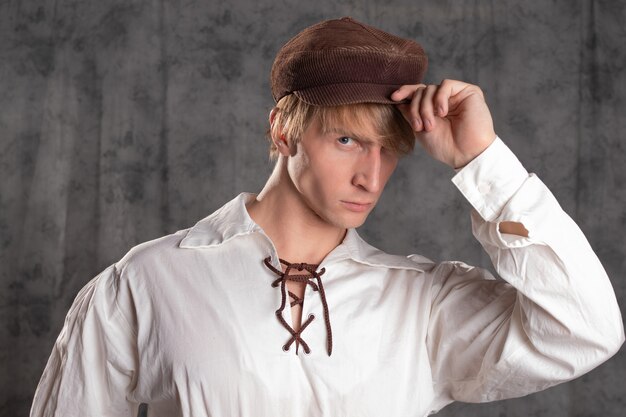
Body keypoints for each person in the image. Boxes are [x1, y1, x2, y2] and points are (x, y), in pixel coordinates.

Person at [30, 17, 623, 417]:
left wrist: (485, 162)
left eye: (389, 149)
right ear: (284, 129)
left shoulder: (421, 303)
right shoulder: (146, 282)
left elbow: (586, 330)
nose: (371, 175)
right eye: (346, 140)